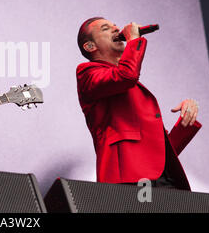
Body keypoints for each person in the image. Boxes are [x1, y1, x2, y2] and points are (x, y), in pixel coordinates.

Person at [76, 17, 201, 190]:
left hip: (165, 180)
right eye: (106, 28)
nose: (115, 29)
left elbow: (157, 153)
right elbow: (127, 76)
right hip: (128, 180)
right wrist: (134, 40)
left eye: (115, 26)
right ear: (90, 46)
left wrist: (186, 122)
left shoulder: (129, 84)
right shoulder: (87, 73)